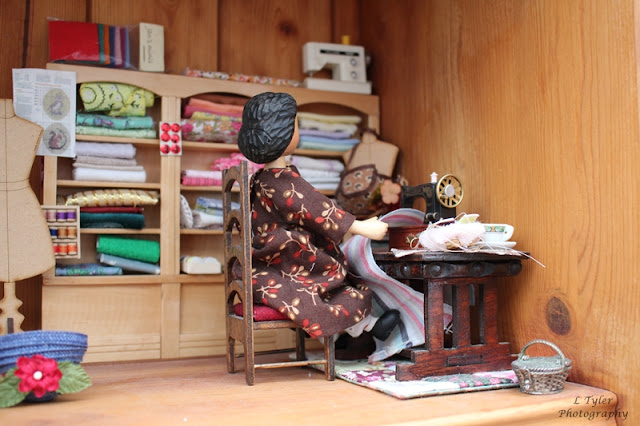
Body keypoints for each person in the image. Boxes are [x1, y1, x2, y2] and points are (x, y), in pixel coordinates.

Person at [237, 92, 400, 340]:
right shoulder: (282, 180)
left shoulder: (260, 179)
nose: (298, 131)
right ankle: (360, 326)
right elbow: (317, 208)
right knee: (335, 281)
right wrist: (359, 226)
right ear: (282, 131)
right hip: (285, 262)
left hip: (268, 260)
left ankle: (352, 329)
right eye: (295, 125)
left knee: (331, 273)